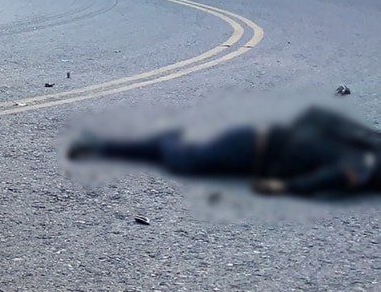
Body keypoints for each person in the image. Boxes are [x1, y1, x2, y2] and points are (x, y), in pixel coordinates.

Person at [67, 106, 381, 199]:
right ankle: (168, 140)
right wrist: (289, 186)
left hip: (254, 143)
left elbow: (314, 116)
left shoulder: (363, 143)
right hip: (248, 150)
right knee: (180, 160)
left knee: (164, 156)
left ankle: (102, 146)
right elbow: (339, 173)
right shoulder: (364, 158)